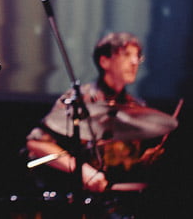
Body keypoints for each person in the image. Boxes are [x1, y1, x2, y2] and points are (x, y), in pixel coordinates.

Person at [25, 32, 173, 218]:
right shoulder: (80, 99)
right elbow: (37, 143)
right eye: (126, 55)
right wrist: (82, 170)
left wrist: (145, 161)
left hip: (119, 203)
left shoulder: (136, 108)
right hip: (74, 203)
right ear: (104, 61)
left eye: (137, 56)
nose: (134, 62)